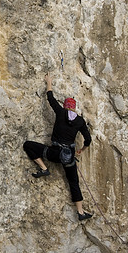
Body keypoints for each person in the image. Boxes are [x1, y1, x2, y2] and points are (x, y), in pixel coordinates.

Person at [23, 74, 93, 221]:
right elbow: (88, 139)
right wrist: (81, 151)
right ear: (74, 108)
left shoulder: (60, 113)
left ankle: (44, 168)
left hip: (54, 153)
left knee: (28, 145)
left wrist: (49, 82)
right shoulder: (80, 121)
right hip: (69, 157)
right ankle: (80, 212)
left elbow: (51, 98)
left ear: (65, 106)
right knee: (74, 182)